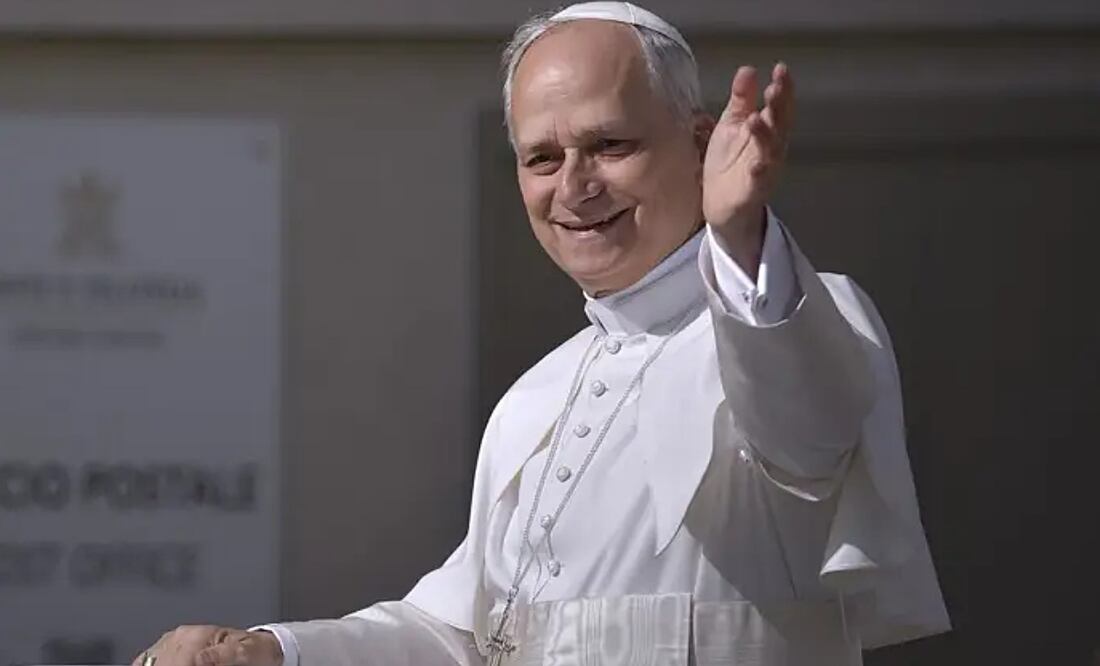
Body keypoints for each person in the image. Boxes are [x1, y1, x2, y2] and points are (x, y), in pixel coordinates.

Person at [135, 3, 949, 665]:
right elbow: (463, 637)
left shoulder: (793, 310)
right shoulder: (537, 397)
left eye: (610, 145)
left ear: (701, 144)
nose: (575, 186)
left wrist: (739, 238)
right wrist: (272, 653)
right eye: (542, 158)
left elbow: (804, 437)